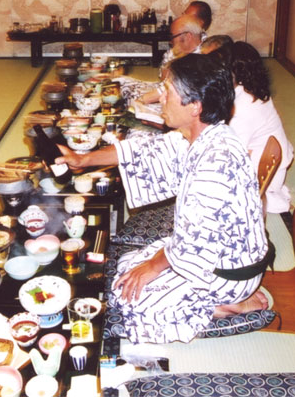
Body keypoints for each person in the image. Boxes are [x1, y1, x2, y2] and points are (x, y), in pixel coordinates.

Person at [57, 54, 270, 344]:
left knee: (127, 299)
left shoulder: (214, 165)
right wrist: (83, 160)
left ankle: (225, 304)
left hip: (229, 273)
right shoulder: (206, 134)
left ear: (195, 106)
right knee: (126, 266)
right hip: (220, 255)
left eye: (168, 92)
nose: (160, 98)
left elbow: (192, 246)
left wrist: (153, 267)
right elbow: (142, 151)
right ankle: (212, 298)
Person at [228, 41, 294, 213]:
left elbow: (233, 152)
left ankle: (271, 199)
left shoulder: (244, 106)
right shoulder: (253, 90)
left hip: (268, 173)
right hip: (273, 160)